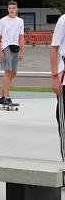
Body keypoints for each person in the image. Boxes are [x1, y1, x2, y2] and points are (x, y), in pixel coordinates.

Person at [0, 0, 25, 105]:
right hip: (6, 47)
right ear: (7, 9)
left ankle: (0, 95)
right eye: (9, 8)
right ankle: (6, 97)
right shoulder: (2, 21)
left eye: (13, 8)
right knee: (8, 72)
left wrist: (22, 51)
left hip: (15, 47)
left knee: (14, 72)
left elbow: (21, 37)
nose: (11, 10)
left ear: (17, 9)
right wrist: (0, 52)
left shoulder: (20, 21)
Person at [50, 14, 65, 161]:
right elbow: (54, 49)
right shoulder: (63, 20)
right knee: (63, 121)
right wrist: (55, 77)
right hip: (64, 79)